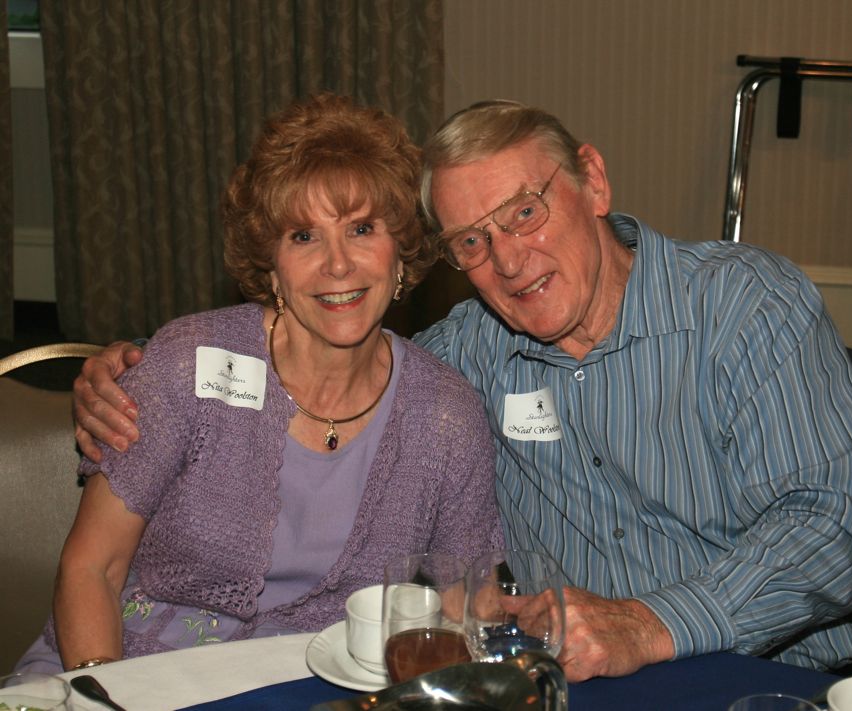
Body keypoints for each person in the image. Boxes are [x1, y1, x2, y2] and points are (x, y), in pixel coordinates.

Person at [71, 99, 852, 680]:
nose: (508, 260)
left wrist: (651, 624)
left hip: (785, 675)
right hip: (585, 682)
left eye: (527, 212)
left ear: (594, 183)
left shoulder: (745, 306)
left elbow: (834, 533)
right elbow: (333, 359)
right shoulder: (470, 354)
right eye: (472, 240)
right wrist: (144, 366)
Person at [16, 94, 502, 674]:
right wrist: (110, 692)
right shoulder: (187, 366)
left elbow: (470, 604)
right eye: (303, 236)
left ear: (401, 254)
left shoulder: (445, 416)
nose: (338, 264)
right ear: (271, 267)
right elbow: (90, 569)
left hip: (314, 689)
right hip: (121, 666)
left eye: (362, 229)